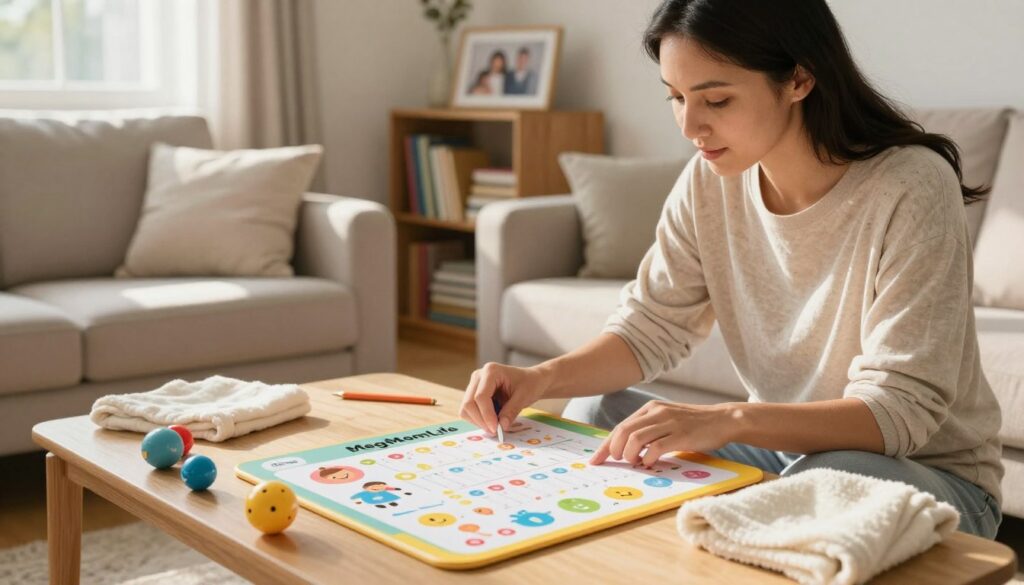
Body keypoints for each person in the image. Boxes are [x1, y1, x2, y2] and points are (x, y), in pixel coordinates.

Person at [459, 0, 1003, 539]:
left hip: (925, 477)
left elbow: (899, 413)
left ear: (799, 80)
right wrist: (539, 378)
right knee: (597, 412)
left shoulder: (911, 186)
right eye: (676, 98)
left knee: (821, 481)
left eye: (715, 99)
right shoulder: (709, 179)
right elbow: (650, 328)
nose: (691, 126)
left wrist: (728, 419)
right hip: (785, 456)